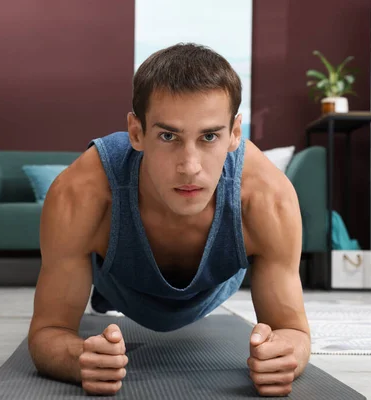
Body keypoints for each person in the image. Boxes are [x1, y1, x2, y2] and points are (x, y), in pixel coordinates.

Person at [27, 42, 311, 397]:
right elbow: (47, 331)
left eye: (209, 136)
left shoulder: (268, 199)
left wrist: (283, 356)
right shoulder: (82, 193)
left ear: (235, 133)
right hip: (117, 280)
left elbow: (294, 331)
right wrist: (77, 357)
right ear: (136, 132)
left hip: (215, 281)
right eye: (168, 136)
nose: (190, 167)